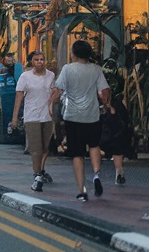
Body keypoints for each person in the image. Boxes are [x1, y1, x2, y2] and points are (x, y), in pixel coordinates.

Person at [51, 40, 111, 202]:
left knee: (77, 154)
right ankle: (96, 174)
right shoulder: (96, 70)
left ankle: (82, 190)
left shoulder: (67, 69)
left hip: (73, 116)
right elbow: (104, 92)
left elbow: (58, 91)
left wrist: (50, 103)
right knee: (94, 145)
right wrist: (105, 105)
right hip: (92, 116)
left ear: (74, 54)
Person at [11, 50, 56, 192]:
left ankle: (41, 171)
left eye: (42, 59)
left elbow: (55, 92)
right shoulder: (25, 77)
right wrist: (14, 118)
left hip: (47, 116)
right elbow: (19, 98)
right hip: (32, 116)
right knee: (35, 149)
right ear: (32, 61)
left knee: (45, 147)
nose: (40, 62)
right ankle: (37, 176)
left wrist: (53, 101)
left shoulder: (51, 75)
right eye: (36, 59)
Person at [99, 86, 134, 188]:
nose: (102, 95)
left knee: (117, 145)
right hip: (102, 131)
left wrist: (111, 109)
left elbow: (122, 119)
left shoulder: (116, 103)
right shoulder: (96, 103)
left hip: (116, 131)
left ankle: (119, 172)